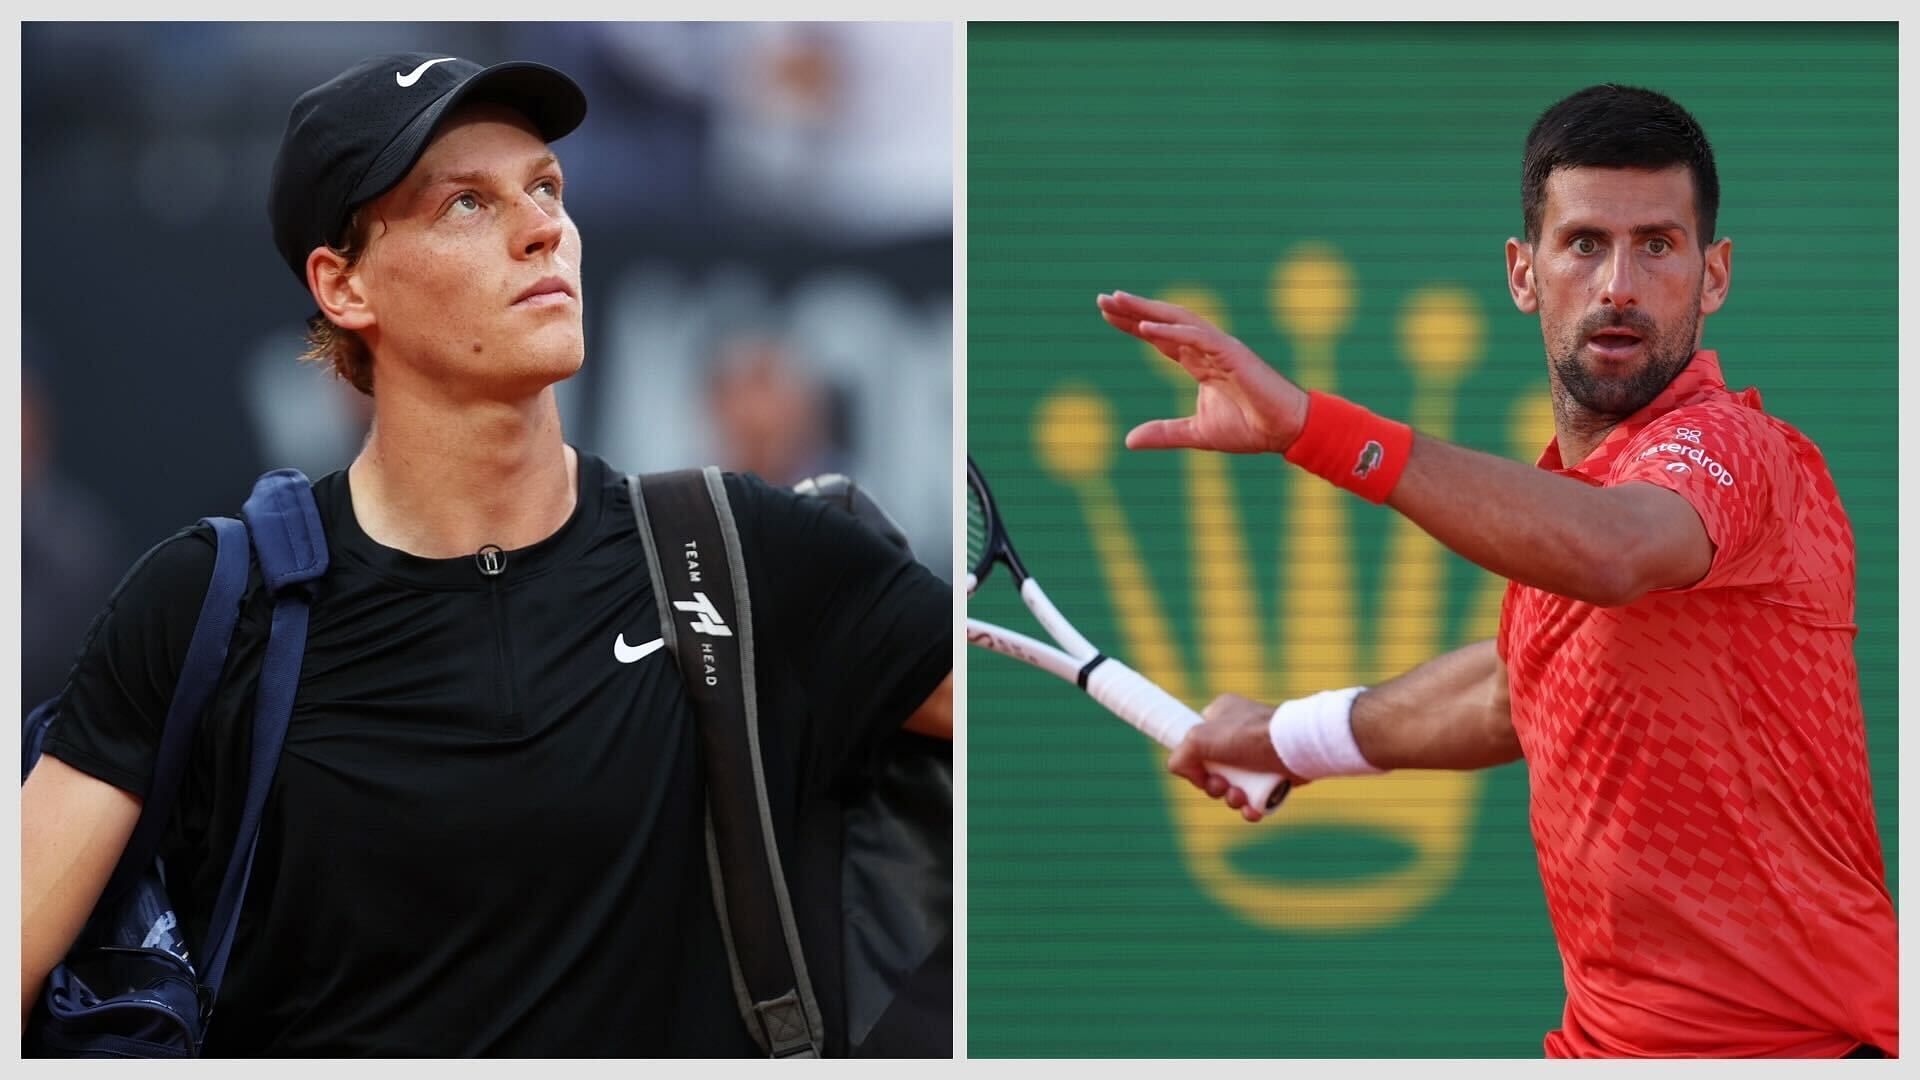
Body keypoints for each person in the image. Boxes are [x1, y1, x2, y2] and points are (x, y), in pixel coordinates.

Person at [20, 52, 951, 1057]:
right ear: (344, 285)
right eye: (466, 204)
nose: (544, 227)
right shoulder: (208, 604)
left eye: (546, 187)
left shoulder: (744, 555)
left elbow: (1083, 733)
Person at [1099, 85, 1895, 1059]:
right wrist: (1282, 738)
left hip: (1801, 1050)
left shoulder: (1735, 451)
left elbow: (1614, 549)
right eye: (1584, 244)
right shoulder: (1572, 507)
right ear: (1524, 274)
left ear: (1713, 274)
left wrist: (1312, 429)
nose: (1619, 286)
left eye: (1658, 244)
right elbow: (1517, 690)